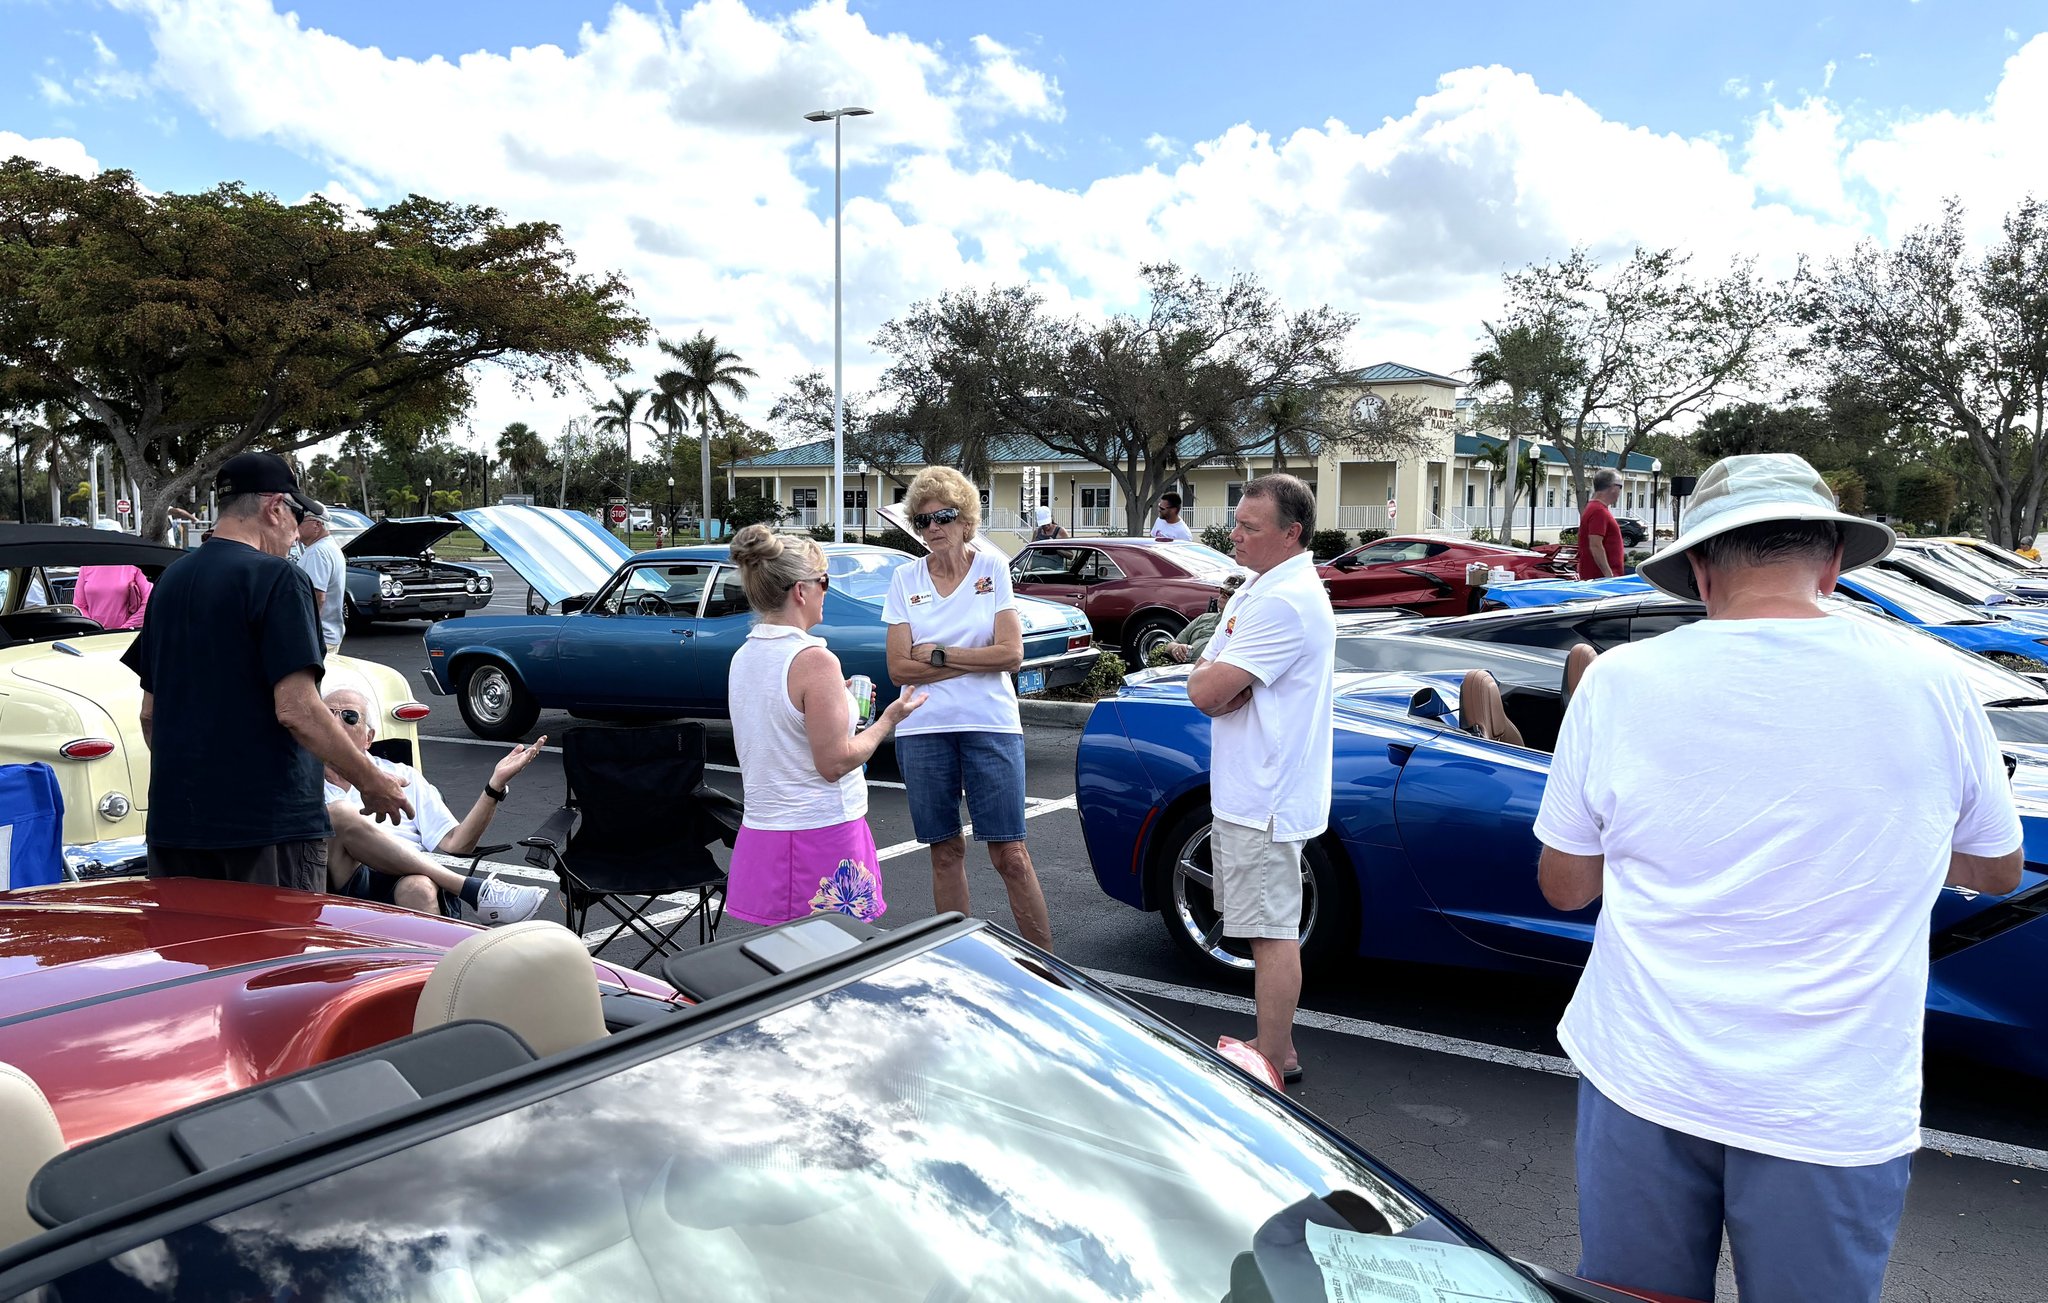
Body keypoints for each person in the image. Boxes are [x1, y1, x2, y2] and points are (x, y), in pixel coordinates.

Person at [1535, 453, 2023, 1303]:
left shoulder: (1617, 682)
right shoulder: (1935, 682)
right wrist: (1881, 843)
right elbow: (1998, 866)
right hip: (1831, 1101)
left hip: (1645, 1073)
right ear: (1832, 561)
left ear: (1700, 567)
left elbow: (1565, 886)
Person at [122, 451, 411, 890]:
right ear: (275, 507)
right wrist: (371, 781)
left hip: (176, 826)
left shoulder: (170, 582)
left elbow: (150, 714)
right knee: (278, 936)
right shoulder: (279, 578)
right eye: (297, 517)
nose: (296, 535)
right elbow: (297, 709)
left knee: (192, 936)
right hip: (265, 830)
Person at [1185, 473, 1335, 1086]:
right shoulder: (1259, 587)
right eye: (1236, 523)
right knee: (1258, 926)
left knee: (1271, 933)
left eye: (1250, 527)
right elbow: (1207, 675)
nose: (1235, 536)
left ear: (1290, 533)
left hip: (1265, 797)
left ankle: (1272, 1056)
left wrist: (1219, 684)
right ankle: (1275, 1044)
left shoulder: (1281, 601)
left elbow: (1205, 690)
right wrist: (1219, 682)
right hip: (1251, 791)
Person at [884, 466, 1053, 950]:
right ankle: (959, 961)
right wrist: (974, 661)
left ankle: (1048, 970)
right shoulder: (905, 578)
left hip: (990, 724)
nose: (933, 527)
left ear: (965, 520)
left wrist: (938, 654)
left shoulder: (991, 569)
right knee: (945, 851)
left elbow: (1011, 655)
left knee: (1011, 855)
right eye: (923, 520)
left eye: (944, 516)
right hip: (923, 728)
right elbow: (898, 668)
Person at [727, 525, 926, 924]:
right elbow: (834, 763)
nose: (826, 592)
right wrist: (889, 718)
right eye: (824, 582)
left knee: (779, 952)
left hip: (764, 831)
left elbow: (781, 724)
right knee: (834, 952)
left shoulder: (745, 655)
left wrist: (838, 699)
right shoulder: (814, 660)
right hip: (817, 831)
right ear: (801, 591)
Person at [319, 687, 548, 924]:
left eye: (349, 716)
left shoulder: (403, 775)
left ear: (369, 738)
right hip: (346, 881)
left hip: (405, 877)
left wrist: (495, 786)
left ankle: (441, 943)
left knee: (419, 887)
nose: (335, 722)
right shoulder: (304, 783)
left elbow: (457, 843)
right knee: (339, 812)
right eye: (327, 714)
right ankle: (473, 890)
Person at [295, 504, 348, 656]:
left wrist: (308, 633)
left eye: (300, 521)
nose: (296, 525)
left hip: (320, 637)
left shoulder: (317, 552)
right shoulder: (329, 547)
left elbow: (317, 596)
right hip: (329, 634)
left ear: (317, 525)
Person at [1164, 573, 1246, 663]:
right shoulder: (1204, 618)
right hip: (1186, 667)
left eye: (1229, 594)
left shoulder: (1243, 626)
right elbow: (1171, 645)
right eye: (1222, 591)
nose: (1223, 596)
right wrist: (1176, 648)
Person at [1576, 468, 1625, 580]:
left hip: (1599, 578)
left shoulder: (1594, 508)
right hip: (1601, 580)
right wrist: (1609, 575)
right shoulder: (1598, 511)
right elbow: (1595, 545)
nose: (1619, 491)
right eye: (1620, 487)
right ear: (1613, 487)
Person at [73, 564, 152, 630]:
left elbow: (149, 602)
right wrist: (93, 628)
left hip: (128, 635)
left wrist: (125, 629)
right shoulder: (86, 566)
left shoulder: (135, 565)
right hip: (93, 636)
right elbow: (79, 606)